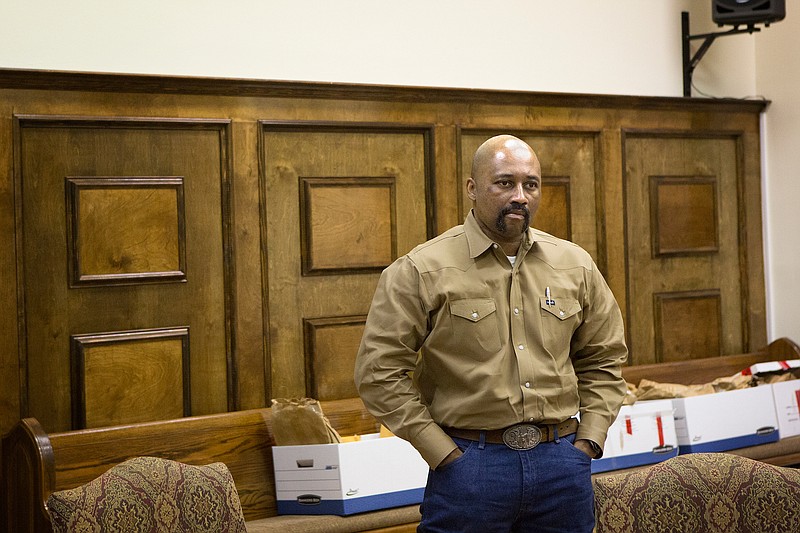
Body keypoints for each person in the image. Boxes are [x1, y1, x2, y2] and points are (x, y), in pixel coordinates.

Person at [354, 134, 628, 532]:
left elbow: (604, 358)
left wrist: (588, 440)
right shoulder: (421, 270)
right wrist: (442, 453)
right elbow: (378, 373)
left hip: (561, 463)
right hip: (471, 466)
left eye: (530, 184)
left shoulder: (575, 265)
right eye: (505, 182)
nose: (520, 195)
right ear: (472, 188)